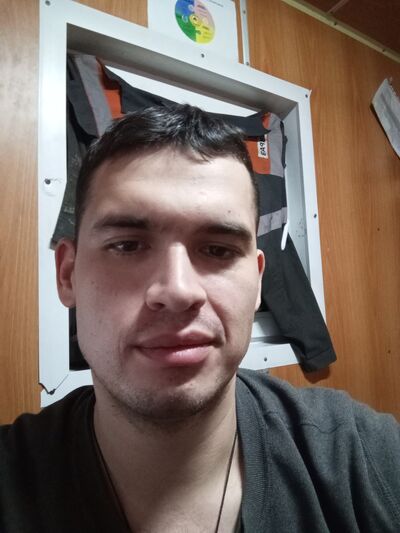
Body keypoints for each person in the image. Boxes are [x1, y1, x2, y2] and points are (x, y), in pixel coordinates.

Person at [0, 104, 399, 533]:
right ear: (67, 274)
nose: (178, 291)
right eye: (127, 245)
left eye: (218, 250)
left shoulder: (365, 457)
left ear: (258, 282)